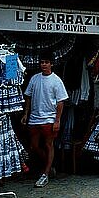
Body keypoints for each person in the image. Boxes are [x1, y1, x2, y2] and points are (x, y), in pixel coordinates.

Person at [21, 51, 68, 188]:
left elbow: (60, 102)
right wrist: (26, 113)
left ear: (51, 64)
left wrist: (57, 120)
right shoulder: (35, 79)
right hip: (35, 118)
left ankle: (45, 173)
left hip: (49, 118)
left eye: (46, 62)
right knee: (34, 146)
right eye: (42, 62)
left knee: (49, 145)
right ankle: (48, 164)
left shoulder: (56, 81)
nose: (44, 65)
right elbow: (28, 96)